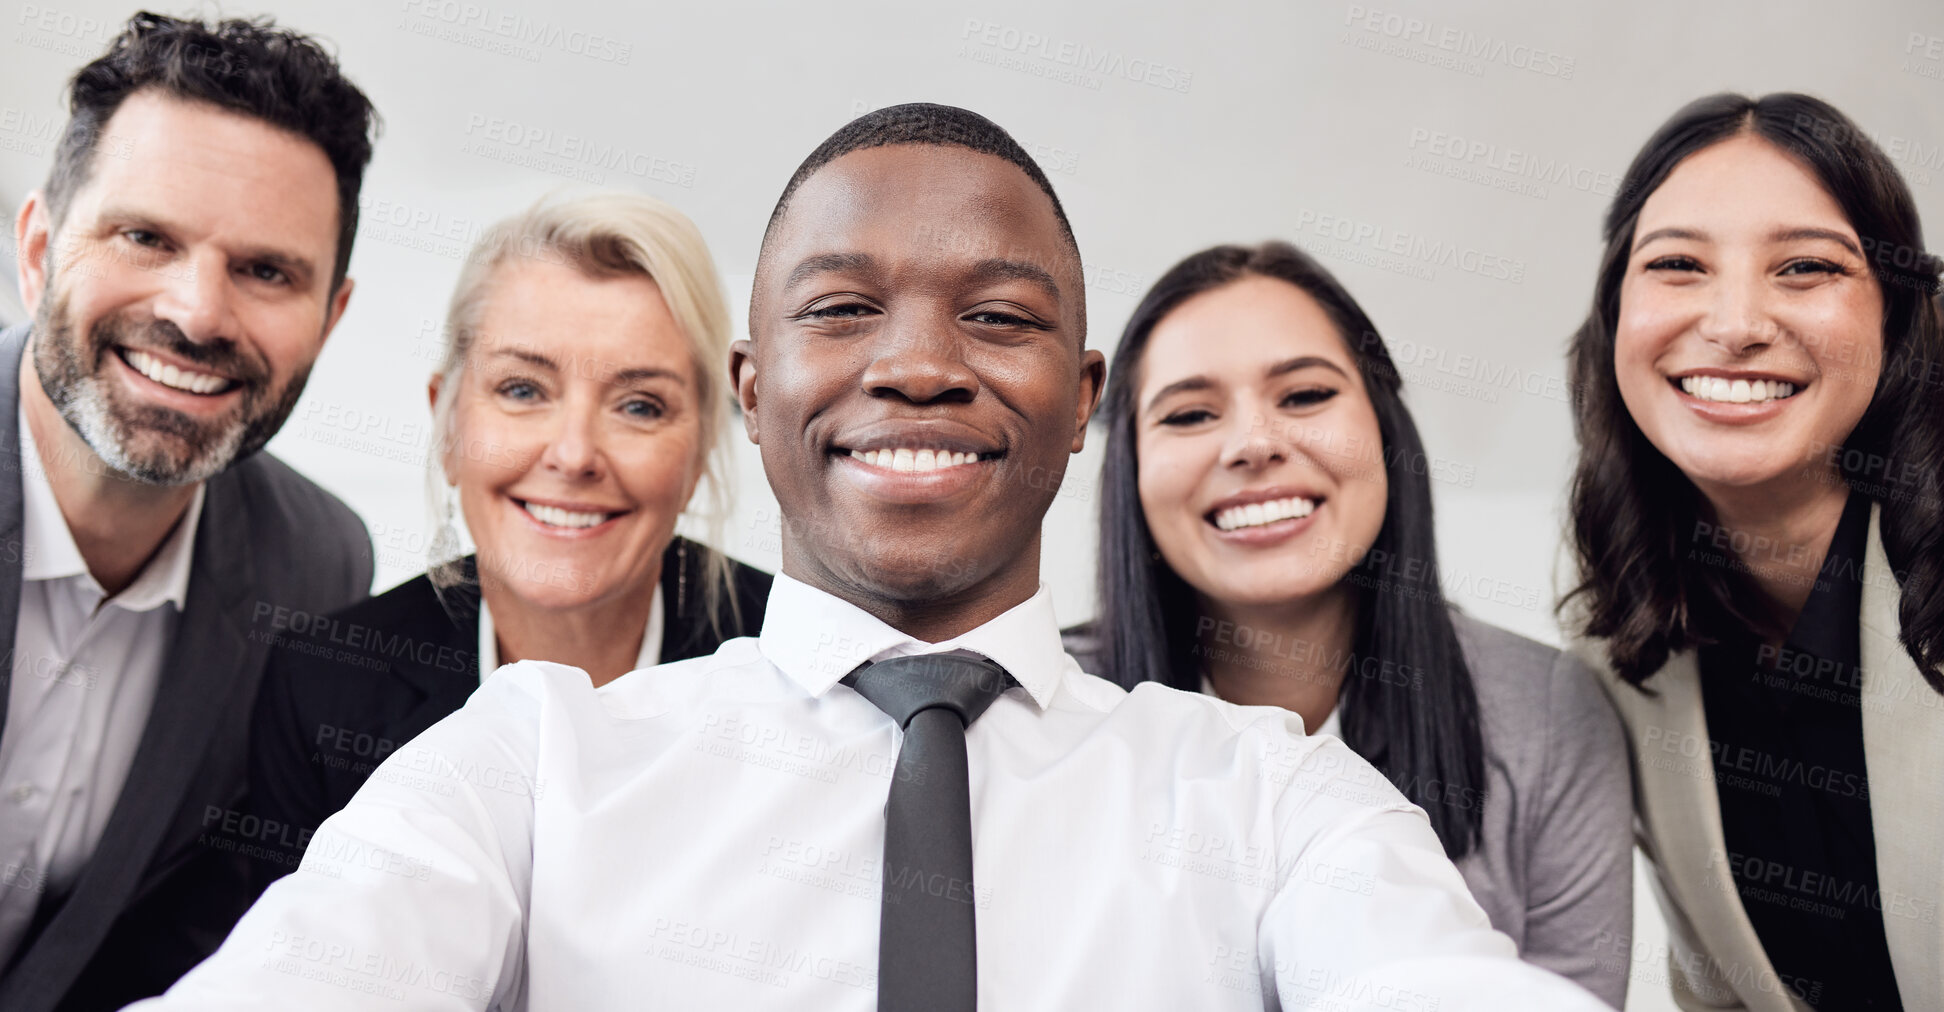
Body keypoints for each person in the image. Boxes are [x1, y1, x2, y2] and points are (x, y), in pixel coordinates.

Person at [133, 103, 1606, 1011]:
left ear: (1082, 402)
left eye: (1002, 318)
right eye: (842, 311)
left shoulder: (1273, 793)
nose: (917, 365)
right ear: (753, 389)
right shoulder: (527, 762)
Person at [1068, 241, 1631, 1005]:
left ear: (1386, 431)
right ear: (1129, 471)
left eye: (1303, 396)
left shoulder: (1550, 714)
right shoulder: (1037, 711)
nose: (1254, 444)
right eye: (1191, 413)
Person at [0, 11, 378, 1012]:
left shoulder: (321, 566)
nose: (198, 313)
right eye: (145, 236)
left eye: (266, 271)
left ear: (329, 319)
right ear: (38, 251)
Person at [244, 194, 773, 893]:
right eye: (523, 389)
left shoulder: (798, 672)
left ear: (702, 449)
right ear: (447, 424)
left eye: (639, 405)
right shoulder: (322, 685)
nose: (574, 453)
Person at [1560, 92, 1944, 1011]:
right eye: (1678, 264)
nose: (1735, 324)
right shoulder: (1614, 603)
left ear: (1896, 319)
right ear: (1617, 313)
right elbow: (1717, 987)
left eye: (1806, 267)